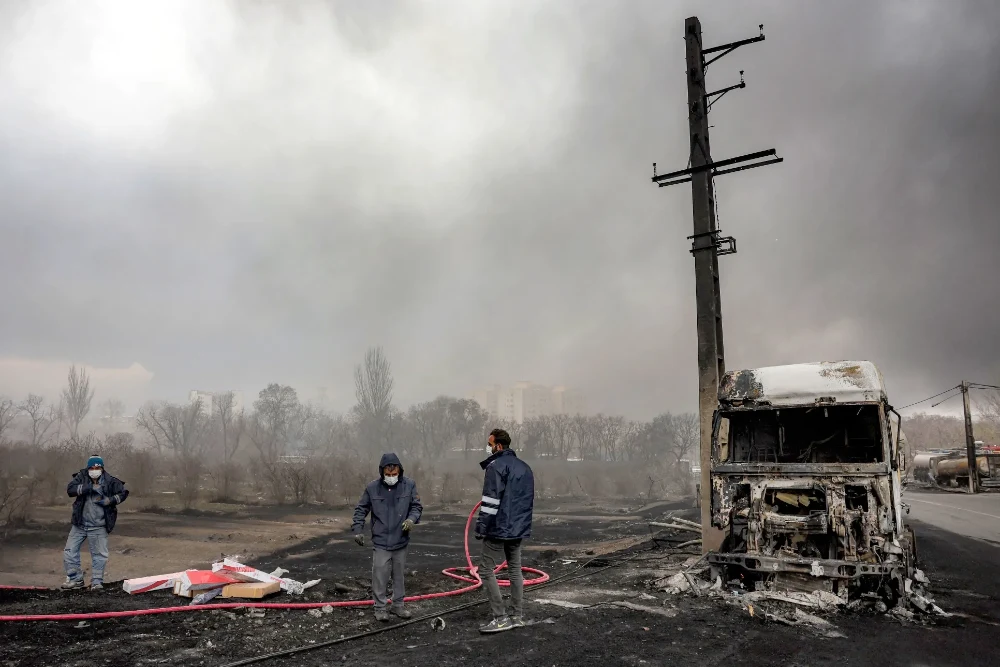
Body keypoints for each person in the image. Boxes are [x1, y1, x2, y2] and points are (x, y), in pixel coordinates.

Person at [475, 428, 534, 634]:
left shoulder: (495, 466)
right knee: (515, 569)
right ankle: (517, 616)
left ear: (498, 446)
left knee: (485, 569)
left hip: (498, 527)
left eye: (490, 444)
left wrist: (482, 527)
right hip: (518, 527)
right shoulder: (525, 468)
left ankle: (500, 618)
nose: (488, 448)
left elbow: (490, 502)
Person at [351, 452, 423, 622]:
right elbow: (361, 509)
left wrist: (411, 520)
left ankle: (398, 606)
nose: (391, 477)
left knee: (399, 575)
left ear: (400, 471)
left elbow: (416, 507)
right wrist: (357, 530)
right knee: (380, 575)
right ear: (382, 472)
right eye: (388, 475)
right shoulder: (372, 488)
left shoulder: (409, 485)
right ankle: (380, 608)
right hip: (381, 540)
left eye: (394, 474)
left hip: (401, 539)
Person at [62, 455, 129, 590]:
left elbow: (123, 493)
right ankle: (76, 580)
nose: (94, 470)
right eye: (92, 468)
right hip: (79, 524)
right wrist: (89, 488)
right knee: (69, 551)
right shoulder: (81, 477)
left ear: (102, 468)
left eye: (97, 467)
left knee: (99, 555)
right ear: (88, 468)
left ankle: (97, 582)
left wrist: (109, 501)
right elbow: (70, 490)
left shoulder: (111, 481)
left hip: (99, 525)